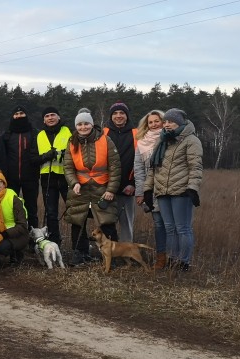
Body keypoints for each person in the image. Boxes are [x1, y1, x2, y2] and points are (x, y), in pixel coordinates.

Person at [144, 109, 203, 272]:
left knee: (182, 228)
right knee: (169, 228)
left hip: (182, 192)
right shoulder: (162, 141)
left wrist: (192, 188)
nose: (167, 124)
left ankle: (183, 262)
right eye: (166, 121)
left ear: (181, 123)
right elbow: (153, 168)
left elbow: (195, 166)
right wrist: (148, 189)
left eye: (171, 121)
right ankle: (173, 259)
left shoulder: (191, 140)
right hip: (163, 192)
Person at [63, 109, 121, 266]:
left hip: (102, 188)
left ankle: (112, 256)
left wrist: (111, 190)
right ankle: (79, 254)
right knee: (77, 222)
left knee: (107, 223)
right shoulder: (71, 142)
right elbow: (67, 167)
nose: (83, 127)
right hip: (80, 189)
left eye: (86, 123)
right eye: (80, 124)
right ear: (76, 126)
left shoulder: (106, 140)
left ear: (92, 124)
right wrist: (73, 182)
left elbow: (115, 167)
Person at [133, 110, 167, 269]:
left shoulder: (169, 138)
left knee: (172, 225)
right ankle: (161, 259)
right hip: (151, 189)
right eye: (150, 122)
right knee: (159, 224)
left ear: (163, 121)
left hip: (169, 187)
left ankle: (176, 258)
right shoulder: (141, 143)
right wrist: (140, 192)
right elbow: (139, 169)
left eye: (157, 121)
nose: (154, 124)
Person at [0, 105, 40, 229]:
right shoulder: (7, 134)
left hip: (31, 177)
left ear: (26, 115)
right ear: (13, 116)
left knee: (32, 209)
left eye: (21, 113)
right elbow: (2, 155)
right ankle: (14, 235)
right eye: (16, 114)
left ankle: (33, 236)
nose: (19, 116)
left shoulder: (34, 132)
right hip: (11, 178)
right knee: (11, 208)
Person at [35, 107, 71, 245]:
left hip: (66, 177)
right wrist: (45, 156)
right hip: (47, 178)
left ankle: (80, 247)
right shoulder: (39, 135)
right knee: (50, 213)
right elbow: (33, 159)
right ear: (44, 119)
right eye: (47, 116)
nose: (50, 118)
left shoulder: (68, 132)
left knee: (74, 211)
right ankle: (54, 242)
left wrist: (63, 154)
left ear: (59, 117)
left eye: (53, 115)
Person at [103, 101, 138, 242]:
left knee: (126, 225)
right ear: (111, 116)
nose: (118, 116)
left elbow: (141, 163)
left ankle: (126, 257)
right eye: (115, 113)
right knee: (105, 223)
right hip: (106, 188)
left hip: (127, 188)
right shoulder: (103, 133)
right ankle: (108, 255)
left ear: (127, 116)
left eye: (122, 113)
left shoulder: (136, 134)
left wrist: (133, 184)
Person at [0, 169, 29, 267]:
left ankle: (16, 255)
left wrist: (3, 235)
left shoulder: (12, 197)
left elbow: (22, 226)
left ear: (4, 184)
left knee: (2, 247)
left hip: (17, 234)